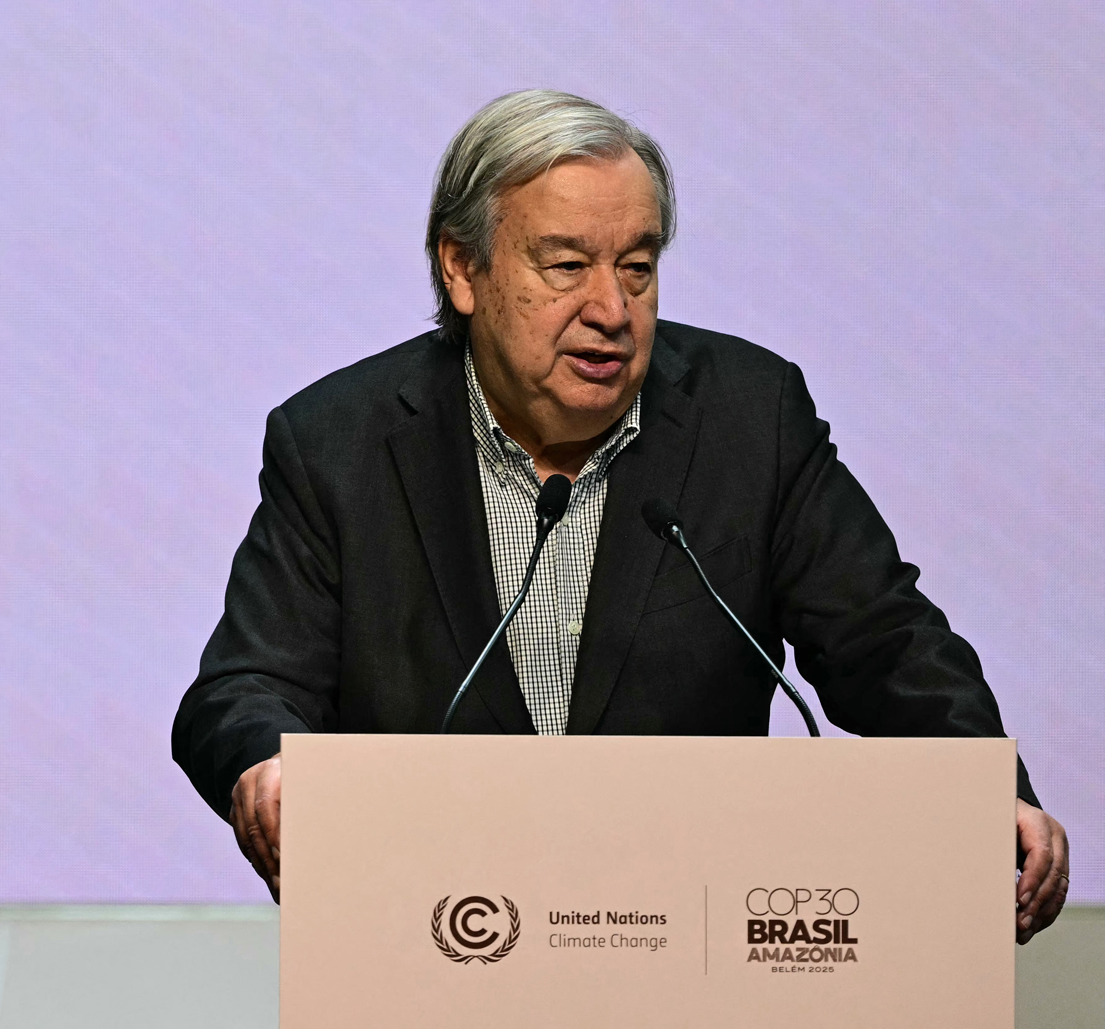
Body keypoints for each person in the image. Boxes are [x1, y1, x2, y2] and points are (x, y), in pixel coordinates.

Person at [171, 90, 1071, 942]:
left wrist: (983, 788)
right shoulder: (339, 442)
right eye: (567, 266)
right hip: (434, 938)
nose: (611, 310)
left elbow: (886, 640)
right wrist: (266, 763)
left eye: (637, 268)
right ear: (462, 268)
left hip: (689, 944)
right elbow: (243, 686)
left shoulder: (749, 420)